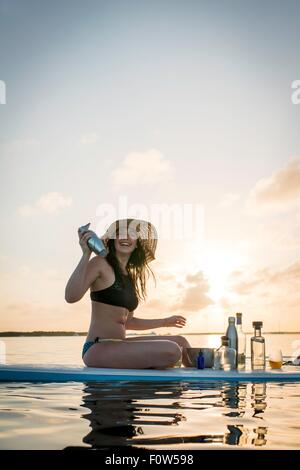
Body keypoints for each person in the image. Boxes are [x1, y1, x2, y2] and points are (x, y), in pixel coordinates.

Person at [65, 218, 191, 368]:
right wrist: (86, 254)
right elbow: (71, 297)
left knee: (181, 342)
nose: (126, 237)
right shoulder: (100, 263)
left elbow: (128, 322)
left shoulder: (128, 277)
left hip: (120, 345)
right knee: (172, 350)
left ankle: (200, 379)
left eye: (131, 233)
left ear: (137, 242)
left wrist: (164, 322)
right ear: (113, 240)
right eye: (120, 233)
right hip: (98, 347)